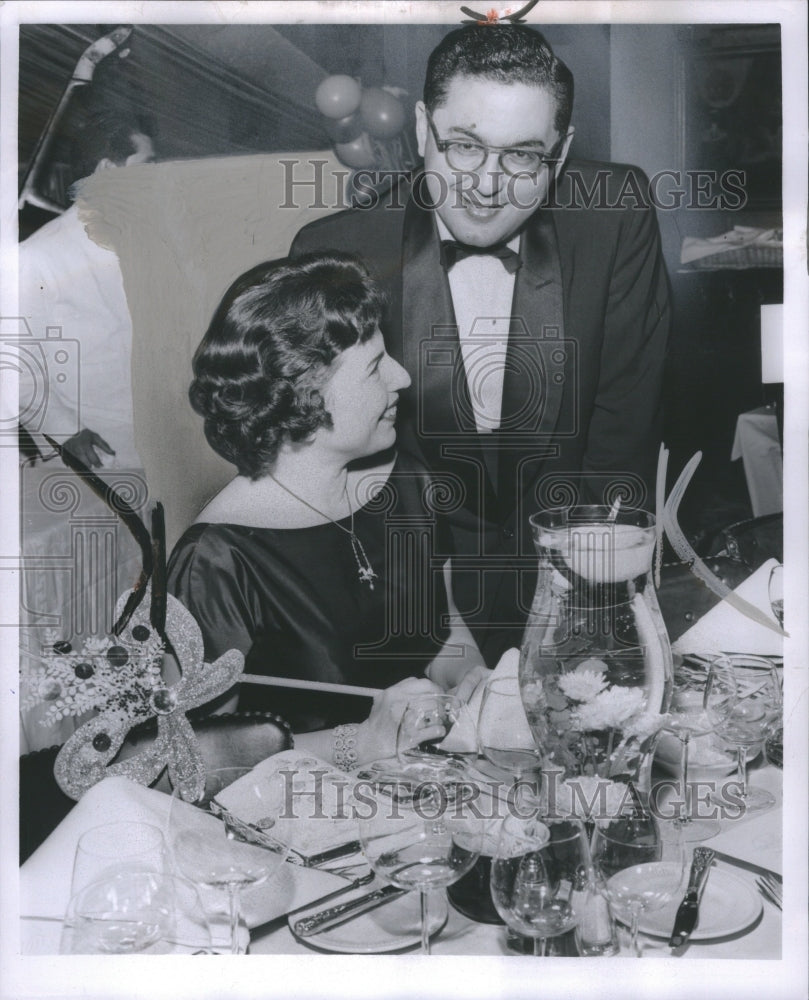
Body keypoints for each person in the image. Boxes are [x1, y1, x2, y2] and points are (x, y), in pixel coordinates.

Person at [291, 25, 671, 667]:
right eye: (463, 147)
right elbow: (332, 470)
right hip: (406, 593)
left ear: (563, 149)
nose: (486, 185)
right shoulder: (338, 250)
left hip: (576, 576)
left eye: (523, 156)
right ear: (421, 128)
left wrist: (579, 631)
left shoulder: (615, 217)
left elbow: (621, 436)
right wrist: (431, 639)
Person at [167, 251, 485, 735]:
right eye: (376, 366)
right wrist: (359, 744)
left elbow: (442, 634)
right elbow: (193, 758)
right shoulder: (216, 560)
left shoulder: (410, 485)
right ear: (305, 392)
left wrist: (472, 682)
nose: (401, 377)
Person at [18, 109, 156, 469]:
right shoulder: (37, 255)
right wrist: (65, 432)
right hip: (95, 451)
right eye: (148, 166)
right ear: (108, 172)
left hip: (159, 439)